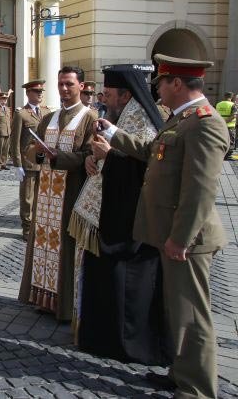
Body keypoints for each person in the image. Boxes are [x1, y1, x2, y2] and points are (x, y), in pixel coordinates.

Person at [95, 54, 228, 397]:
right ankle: (181, 372)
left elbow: (200, 190)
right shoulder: (182, 120)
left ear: (177, 84)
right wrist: (114, 133)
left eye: (161, 84)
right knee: (178, 310)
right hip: (171, 235)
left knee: (193, 316)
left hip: (188, 240)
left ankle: (197, 389)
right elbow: (151, 150)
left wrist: (180, 239)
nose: (157, 92)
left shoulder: (205, 123)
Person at [70, 65, 169, 365]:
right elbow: (106, 151)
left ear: (126, 95)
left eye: (109, 94)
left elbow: (143, 168)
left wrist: (107, 157)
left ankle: (120, 342)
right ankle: (99, 335)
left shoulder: (142, 122)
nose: (104, 98)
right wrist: (92, 160)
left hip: (128, 221)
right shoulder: (116, 115)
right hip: (105, 212)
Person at [18, 66, 97, 322]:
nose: (64, 89)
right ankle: (43, 298)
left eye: (69, 84)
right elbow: (32, 149)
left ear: (81, 87)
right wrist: (39, 153)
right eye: (61, 84)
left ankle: (65, 305)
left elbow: (90, 156)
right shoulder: (48, 117)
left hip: (70, 193)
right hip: (45, 193)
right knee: (43, 244)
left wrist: (58, 157)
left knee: (66, 248)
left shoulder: (89, 118)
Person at [10, 80, 49, 241]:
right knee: (27, 198)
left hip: (45, 162)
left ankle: (39, 226)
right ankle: (27, 228)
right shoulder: (21, 114)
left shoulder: (47, 113)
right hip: (28, 162)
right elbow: (15, 141)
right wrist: (18, 164)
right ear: (28, 93)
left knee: (42, 197)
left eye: (41, 91)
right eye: (35, 91)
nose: (40, 94)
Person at [215, 92, 236, 159]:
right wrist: (225, 122)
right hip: (230, 126)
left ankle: (219, 154)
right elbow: (234, 116)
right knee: (230, 140)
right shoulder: (233, 105)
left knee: (220, 139)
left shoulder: (218, 104)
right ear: (232, 97)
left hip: (219, 125)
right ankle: (228, 155)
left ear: (224, 96)